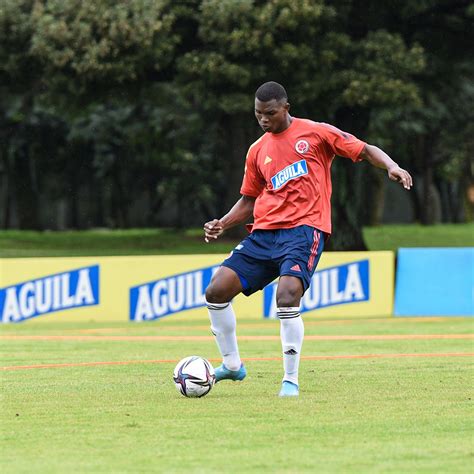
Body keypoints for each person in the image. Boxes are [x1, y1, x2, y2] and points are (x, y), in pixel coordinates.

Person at [203, 81, 413, 397]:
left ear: (286, 108)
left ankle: (290, 380)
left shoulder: (316, 133)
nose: (263, 119)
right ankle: (232, 365)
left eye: (270, 113)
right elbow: (249, 200)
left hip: (304, 231)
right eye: (258, 113)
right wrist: (224, 223)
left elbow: (364, 149)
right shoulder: (257, 150)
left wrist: (392, 166)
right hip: (264, 234)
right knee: (216, 290)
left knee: (287, 295)